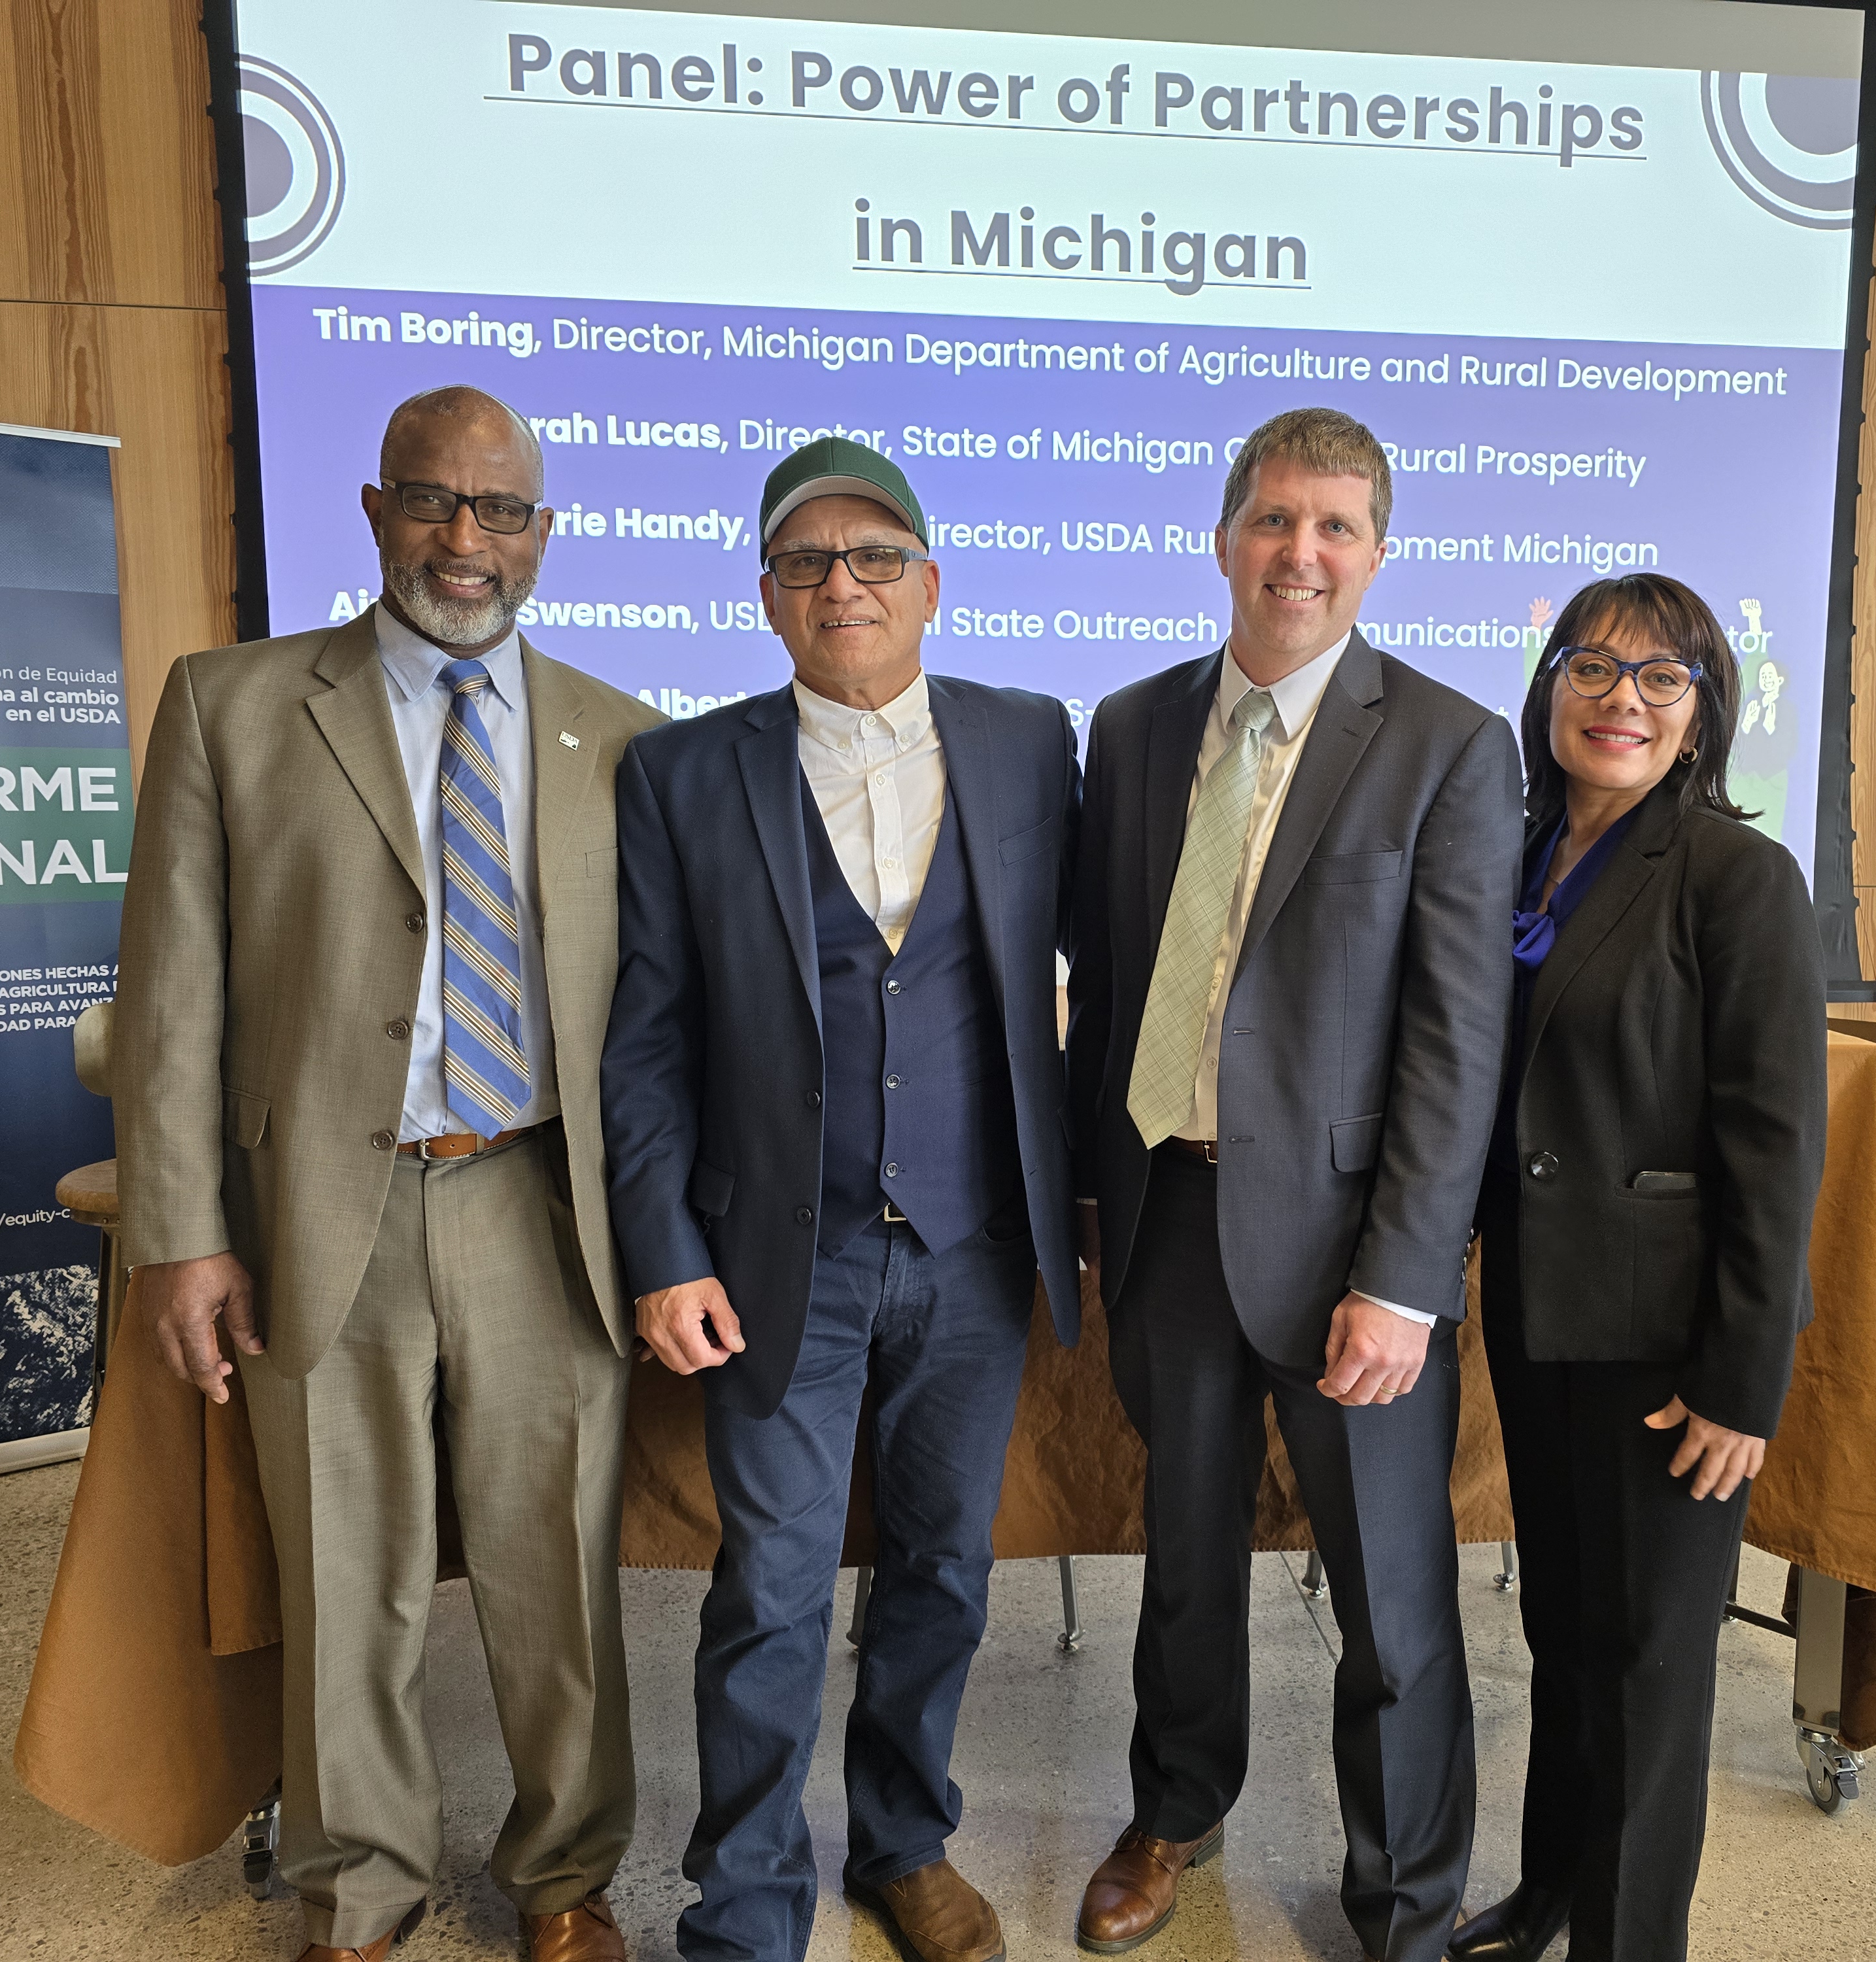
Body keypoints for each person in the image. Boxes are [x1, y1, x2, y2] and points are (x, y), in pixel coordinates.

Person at [115, 386, 659, 1962]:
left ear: (541, 536)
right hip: (317, 1214)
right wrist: (180, 1237)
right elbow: (173, 997)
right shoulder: (233, 704)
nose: (463, 541)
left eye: (499, 513)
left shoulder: (623, 739)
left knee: (553, 1574)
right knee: (348, 1573)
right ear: (373, 510)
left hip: (541, 1207)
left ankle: (565, 1878)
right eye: (433, 502)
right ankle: (359, 1889)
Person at [602, 438, 1082, 1962]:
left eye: (874, 556)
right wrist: (663, 1250)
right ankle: (742, 1896)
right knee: (771, 1591)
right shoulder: (683, 771)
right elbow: (648, 1036)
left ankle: (902, 1842)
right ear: (765, 600)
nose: (842, 585)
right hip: (771, 1258)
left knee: (943, 1569)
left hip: (975, 1250)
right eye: (806, 563)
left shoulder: (1026, 742)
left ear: (929, 585)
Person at [1065, 407, 1522, 1962]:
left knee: (1389, 1597)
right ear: (1221, 538)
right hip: (1166, 1220)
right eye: (1273, 520)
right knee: (1182, 1560)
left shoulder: (1452, 746)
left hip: (1350, 1251)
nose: (1299, 554)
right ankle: (1173, 1813)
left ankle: (1403, 1898)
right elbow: (1109, 977)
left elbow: (1458, 1043)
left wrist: (1402, 1278)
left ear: (1377, 557)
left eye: (1334, 527)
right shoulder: (1127, 728)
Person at [1448, 574, 1826, 1962]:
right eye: (1593, 667)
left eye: (1660, 678)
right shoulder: (1518, 848)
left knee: (1651, 1670)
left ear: (1701, 714)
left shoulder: (1735, 876)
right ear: (1548, 686)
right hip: (1543, 1319)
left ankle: (1624, 1941)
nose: (1621, 699)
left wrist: (1742, 1382)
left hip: (1669, 1351)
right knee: (1563, 1636)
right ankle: (1551, 1892)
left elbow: (1777, 1154)